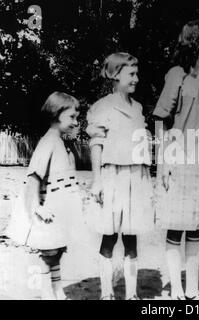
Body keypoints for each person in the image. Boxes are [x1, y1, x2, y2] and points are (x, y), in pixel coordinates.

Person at [153, 18, 199, 300]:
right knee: (176, 225)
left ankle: (192, 287)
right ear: (194, 39)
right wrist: (163, 163)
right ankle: (176, 288)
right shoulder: (176, 75)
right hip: (177, 160)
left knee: (195, 226)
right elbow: (160, 118)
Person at [86, 52, 153, 300]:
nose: (136, 79)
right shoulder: (102, 107)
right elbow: (96, 143)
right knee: (109, 235)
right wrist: (97, 179)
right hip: (112, 176)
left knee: (132, 237)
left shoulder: (137, 107)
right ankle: (106, 292)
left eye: (137, 74)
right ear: (115, 75)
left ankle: (132, 294)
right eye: (131, 74)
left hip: (135, 177)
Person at [6, 91, 81, 300]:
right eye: (72, 117)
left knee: (55, 252)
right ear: (56, 115)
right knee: (46, 255)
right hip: (45, 211)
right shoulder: (48, 142)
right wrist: (37, 208)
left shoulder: (62, 144)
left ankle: (57, 291)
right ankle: (47, 293)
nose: (76, 122)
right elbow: (33, 179)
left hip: (58, 211)